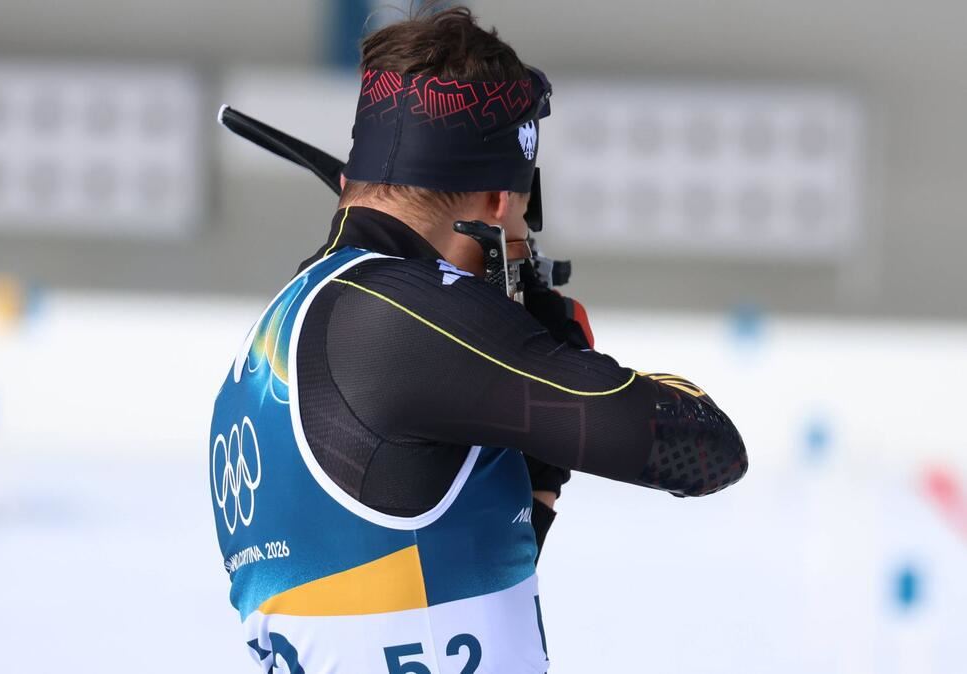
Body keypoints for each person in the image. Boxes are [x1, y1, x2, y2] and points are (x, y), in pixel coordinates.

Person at [209, 7, 748, 673]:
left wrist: (541, 476)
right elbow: (706, 449)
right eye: (526, 207)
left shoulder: (288, 333)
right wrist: (560, 350)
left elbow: (466, 576)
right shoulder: (393, 321)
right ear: (499, 199)